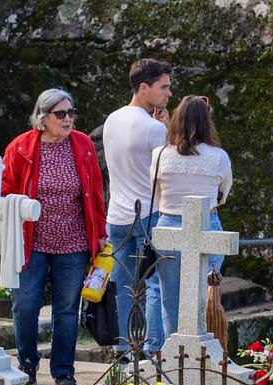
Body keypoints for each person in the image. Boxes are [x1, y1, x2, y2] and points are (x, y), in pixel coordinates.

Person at [1, 88, 107, 385]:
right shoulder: (21, 147)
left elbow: (95, 193)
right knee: (25, 305)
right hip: (31, 241)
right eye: (61, 114)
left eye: (71, 113)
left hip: (73, 241)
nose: (68, 119)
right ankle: (27, 365)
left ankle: (63, 371)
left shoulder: (83, 145)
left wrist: (99, 232)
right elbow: (6, 191)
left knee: (66, 309)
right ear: (43, 117)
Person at [102, 58, 172, 361]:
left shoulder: (111, 119)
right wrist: (166, 131)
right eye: (163, 87)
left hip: (116, 213)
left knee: (123, 282)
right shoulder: (152, 128)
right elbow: (166, 173)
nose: (169, 93)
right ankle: (152, 347)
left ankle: (123, 348)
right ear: (144, 88)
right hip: (149, 211)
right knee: (156, 282)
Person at [151, 95, 233, 341]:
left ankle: (172, 354)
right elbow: (223, 194)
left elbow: (155, 194)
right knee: (203, 295)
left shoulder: (160, 154)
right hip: (206, 225)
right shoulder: (219, 156)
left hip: (169, 224)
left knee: (170, 297)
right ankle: (202, 351)